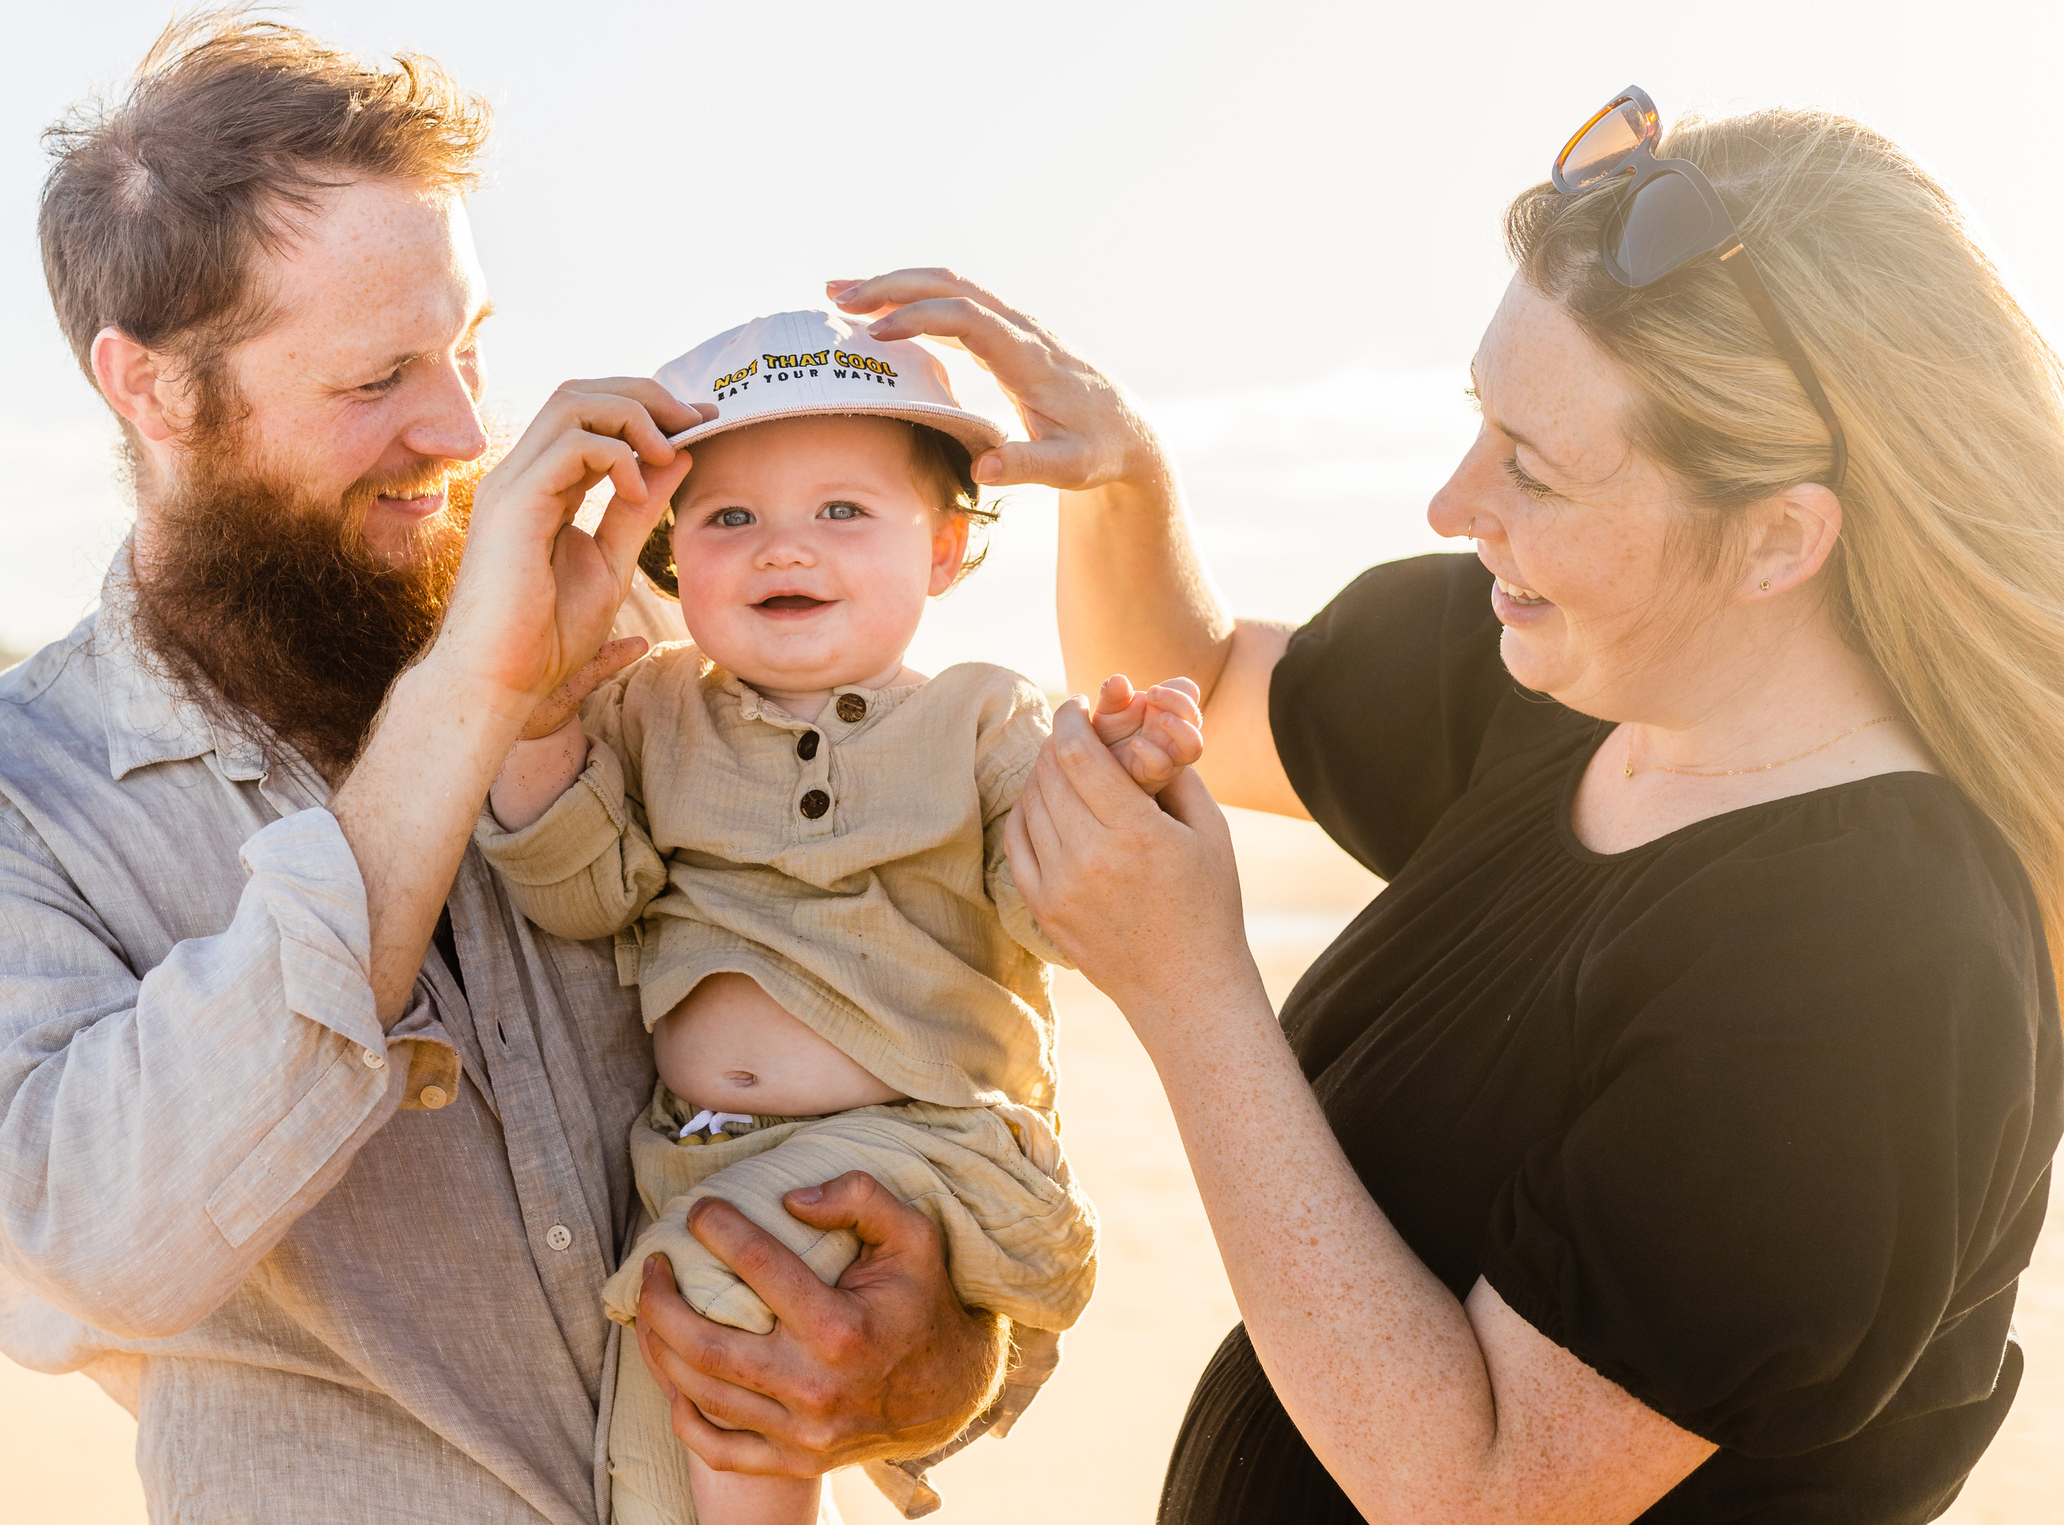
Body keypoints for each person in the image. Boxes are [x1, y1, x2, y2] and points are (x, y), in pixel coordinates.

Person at [0, 8, 1016, 1524]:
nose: (458, 429)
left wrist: (940, 1361)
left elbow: (919, 1035)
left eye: (472, 347)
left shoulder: (656, 652)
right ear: (153, 391)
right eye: (377, 375)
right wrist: (469, 696)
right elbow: (90, 1241)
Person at [827, 92, 2064, 1521]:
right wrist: (1122, 479)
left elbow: (1480, 1488)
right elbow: (1208, 694)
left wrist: (1188, 985)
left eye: (1531, 468)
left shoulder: (1871, 964)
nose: (1449, 500)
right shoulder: (1562, 677)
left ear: (1779, 537)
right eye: (1482, 419)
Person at [474, 307, 1204, 1525]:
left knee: (731, 1340)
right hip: (697, 1163)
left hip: (920, 1146)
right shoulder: (652, 714)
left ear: (944, 547)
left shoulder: (980, 719)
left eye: (841, 511)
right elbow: (582, 894)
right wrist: (541, 724)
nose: (781, 549)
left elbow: (1057, 901)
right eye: (729, 519)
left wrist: (1114, 781)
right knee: (647, 1458)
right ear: (669, 559)